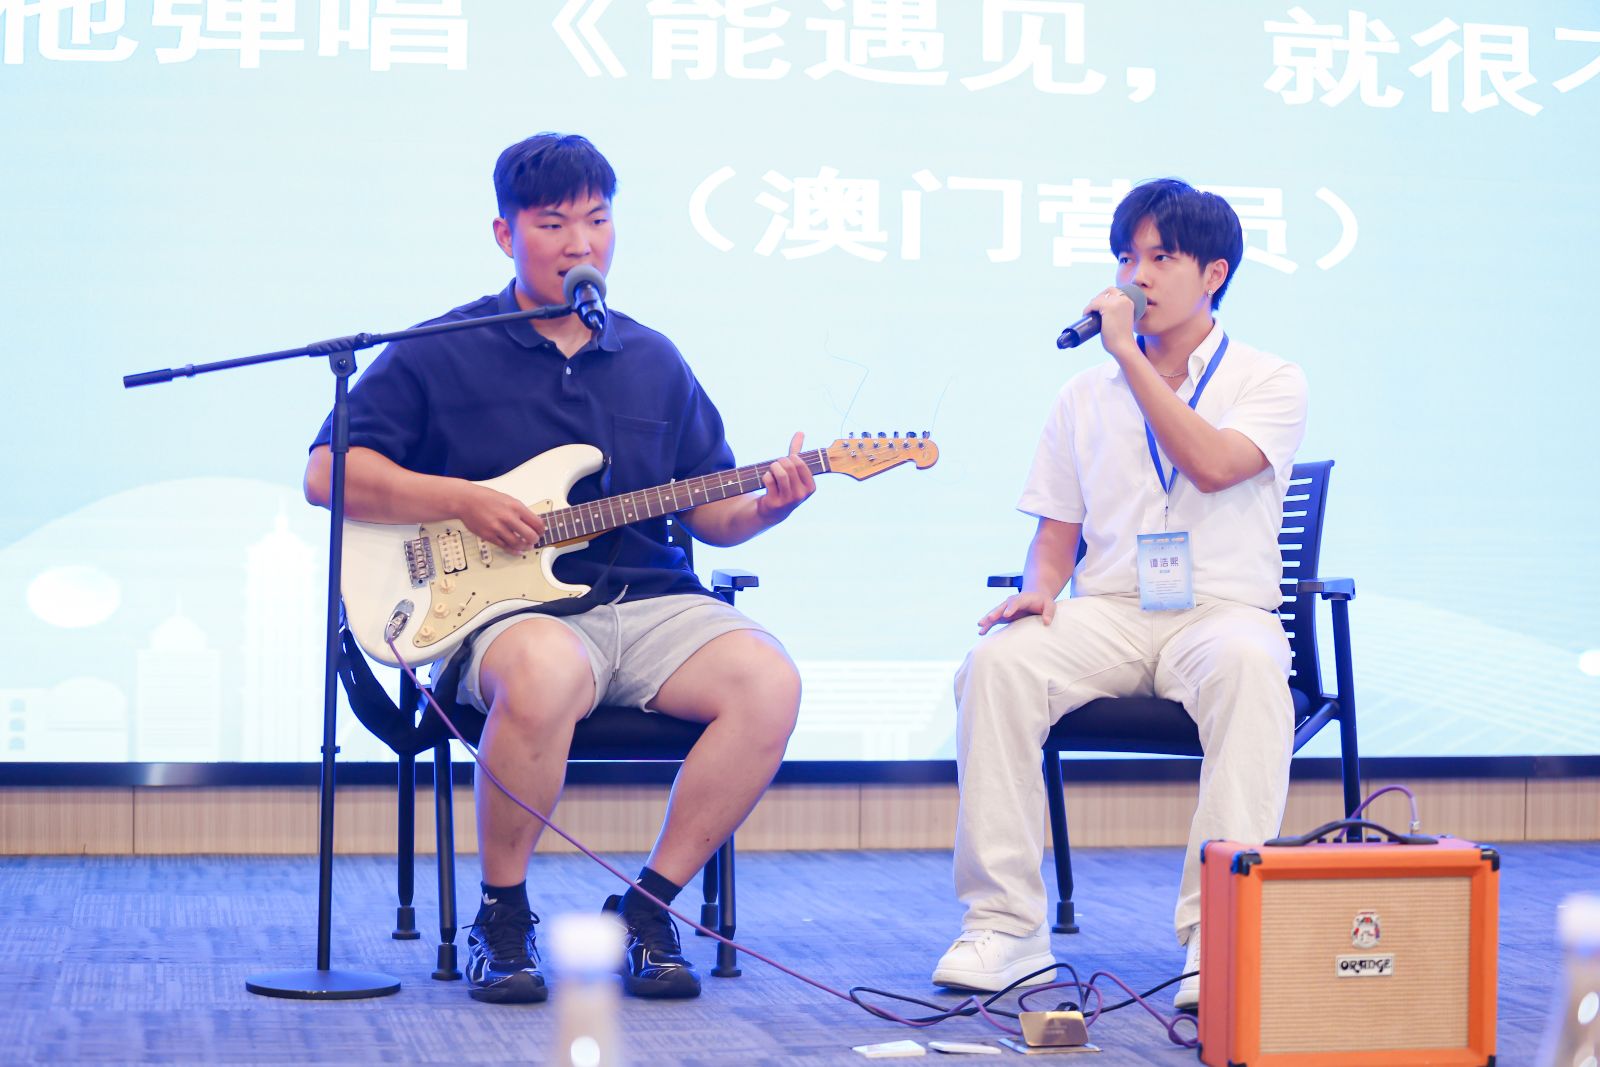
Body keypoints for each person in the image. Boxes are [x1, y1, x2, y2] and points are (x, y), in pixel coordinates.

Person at [304, 133, 814, 1005]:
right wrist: (461, 498)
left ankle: (647, 909)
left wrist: (770, 506)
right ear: (505, 234)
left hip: (651, 604)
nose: (582, 243)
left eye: (598, 220)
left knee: (771, 680)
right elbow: (327, 474)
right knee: (543, 668)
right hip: (505, 617)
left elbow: (711, 512)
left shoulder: (653, 358)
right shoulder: (441, 348)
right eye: (553, 224)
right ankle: (501, 918)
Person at [931, 179, 1308, 1013]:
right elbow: (1056, 533)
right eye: (1126, 257)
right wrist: (1037, 591)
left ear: (1214, 273)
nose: (1136, 275)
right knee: (996, 664)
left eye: (1160, 257)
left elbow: (1212, 464)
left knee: (1251, 668)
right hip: (1108, 611)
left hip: (1221, 613)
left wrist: (1129, 359)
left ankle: (1220, 933)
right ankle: (1006, 928)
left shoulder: (1270, 378)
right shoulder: (1081, 396)